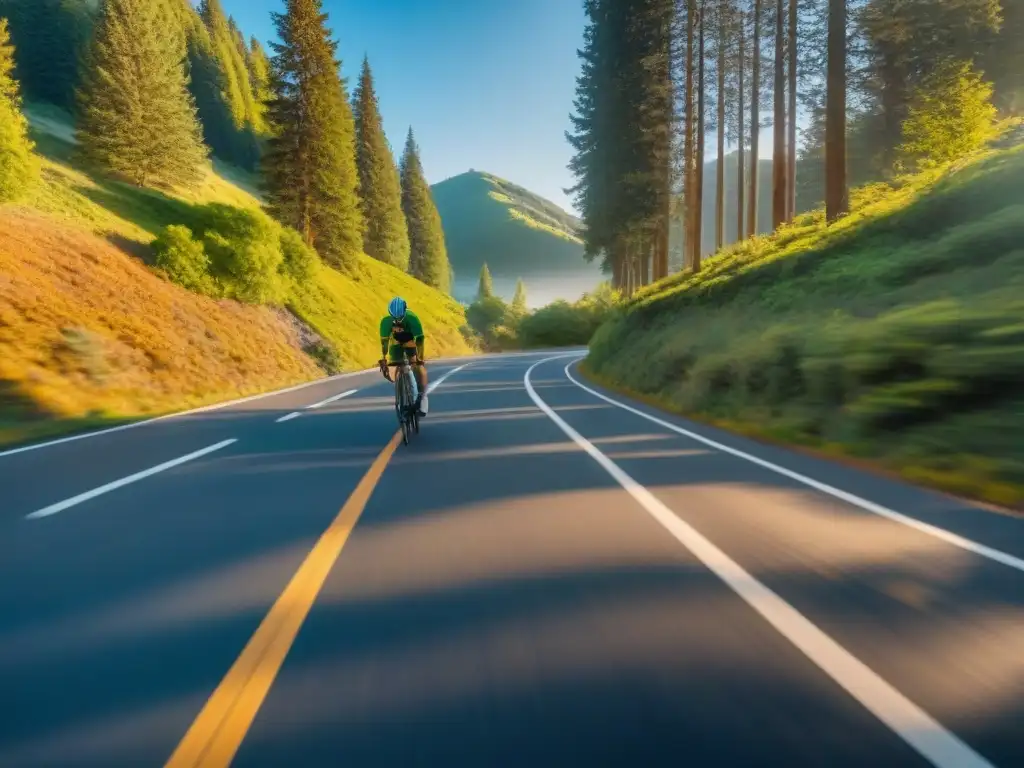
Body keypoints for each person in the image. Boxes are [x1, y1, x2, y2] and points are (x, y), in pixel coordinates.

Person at [379, 296, 428, 416]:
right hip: (396, 342)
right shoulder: (386, 322)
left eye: (400, 318)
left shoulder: (412, 318)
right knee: (396, 361)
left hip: (411, 339)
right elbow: (384, 342)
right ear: (390, 314)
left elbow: (419, 340)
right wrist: (384, 357)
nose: (397, 320)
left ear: (405, 312)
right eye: (394, 318)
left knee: (417, 364)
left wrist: (419, 358)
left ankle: (422, 397)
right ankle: (401, 385)